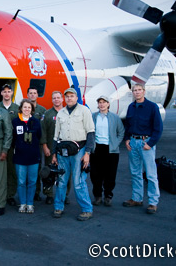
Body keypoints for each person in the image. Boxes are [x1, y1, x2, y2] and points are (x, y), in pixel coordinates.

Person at [51, 87, 95, 221]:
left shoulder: (84, 111)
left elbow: (91, 132)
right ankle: (58, 206)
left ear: (77, 98)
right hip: (62, 151)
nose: (69, 98)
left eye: (72, 96)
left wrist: (87, 153)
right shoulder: (61, 114)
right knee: (61, 180)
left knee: (78, 181)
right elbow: (56, 135)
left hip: (79, 151)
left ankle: (87, 210)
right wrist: (54, 154)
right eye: (67, 96)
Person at [122, 84, 163, 214]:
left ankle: (153, 202)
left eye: (139, 90)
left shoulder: (152, 107)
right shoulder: (131, 107)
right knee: (135, 172)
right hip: (133, 142)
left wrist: (150, 143)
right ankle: (137, 198)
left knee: (151, 174)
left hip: (146, 143)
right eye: (135, 90)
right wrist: (127, 139)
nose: (137, 92)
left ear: (144, 92)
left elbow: (158, 128)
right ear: (132, 93)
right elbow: (128, 125)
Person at [91, 95, 125, 207]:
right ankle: (97, 196)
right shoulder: (93, 117)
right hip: (97, 149)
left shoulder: (115, 117)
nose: (102, 104)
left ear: (108, 104)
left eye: (104, 102)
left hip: (111, 150)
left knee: (110, 174)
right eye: (100, 102)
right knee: (96, 174)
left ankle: (108, 196)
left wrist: (115, 144)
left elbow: (121, 132)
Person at [40, 91, 72, 205]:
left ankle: (64, 194)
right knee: (49, 173)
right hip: (51, 149)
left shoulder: (68, 113)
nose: (56, 100)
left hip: (65, 149)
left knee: (65, 173)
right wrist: (44, 146)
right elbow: (42, 131)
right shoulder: (47, 114)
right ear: (52, 100)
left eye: (58, 98)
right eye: (54, 98)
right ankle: (49, 194)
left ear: (62, 99)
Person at [12, 99, 42, 214]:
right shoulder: (15, 122)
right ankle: (23, 203)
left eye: (29, 107)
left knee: (32, 181)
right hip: (19, 157)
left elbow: (39, 136)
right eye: (25, 107)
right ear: (21, 108)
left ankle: (30, 204)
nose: (27, 109)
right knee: (21, 181)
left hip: (33, 157)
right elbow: (13, 138)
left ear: (32, 109)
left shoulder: (36, 121)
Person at [0, 83, 20, 206]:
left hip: (12, 145)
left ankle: (10, 195)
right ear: (1, 93)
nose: (6, 93)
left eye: (8, 91)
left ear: (12, 93)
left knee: (11, 171)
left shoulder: (17, 108)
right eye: (4, 91)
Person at [26, 87, 47, 201]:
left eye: (35, 93)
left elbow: (43, 129)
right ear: (27, 95)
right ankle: (26, 192)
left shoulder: (42, 110)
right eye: (31, 93)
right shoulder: (24, 108)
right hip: (25, 144)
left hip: (37, 144)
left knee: (37, 168)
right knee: (24, 168)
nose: (33, 95)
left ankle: (36, 192)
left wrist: (44, 144)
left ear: (37, 95)